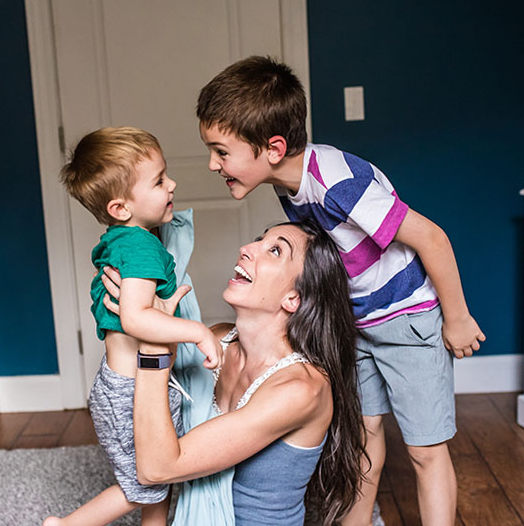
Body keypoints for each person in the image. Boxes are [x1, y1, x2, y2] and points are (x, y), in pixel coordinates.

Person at [195, 56, 486, 526]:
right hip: (358, 324)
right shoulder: (288, 185)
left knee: (425, 451)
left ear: (272, 147)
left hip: (406, 319)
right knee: (363, 434)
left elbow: (431, 237)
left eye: (221, 151)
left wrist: (456, 318)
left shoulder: (336, 183)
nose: (213, 164)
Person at [102, 221, 367, 525]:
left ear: (293, 298)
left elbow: (156, 468)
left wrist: (153, 347)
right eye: (258, 239)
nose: (246, 249)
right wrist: (141, 315)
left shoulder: (301, 389)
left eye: (275, 250)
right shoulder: (216, 341)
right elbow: (143, 414)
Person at [43, 127, 221, 526]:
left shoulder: (125, 239)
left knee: (159, 479)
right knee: (144, 485)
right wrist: (198, 332)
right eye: (159, 180)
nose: (171, 183)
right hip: (130, 392)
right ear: (121, 208)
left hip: (135, 384)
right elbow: (136, 317)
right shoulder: (140, 248)